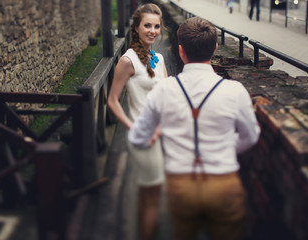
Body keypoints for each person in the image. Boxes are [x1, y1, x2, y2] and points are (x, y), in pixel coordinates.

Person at [128, 17, 260, 240]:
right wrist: (225, 147)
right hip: (224, 183)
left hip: (181, 184)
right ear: (215, 49)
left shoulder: (163, 90)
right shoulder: (235, 91)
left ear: (181, 51)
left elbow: (138, 137)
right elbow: (250, 136)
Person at [107, 3, 167, 240]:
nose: (152, 30)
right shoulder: (127, 60)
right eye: (147, 25)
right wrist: (134, 128)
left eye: (156, 26)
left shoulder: (160, 58)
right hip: (144, 139)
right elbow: (112, 101)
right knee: (154, 197)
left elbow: (167, 96)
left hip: (159, 134)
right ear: (137, 28)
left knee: (147, 193)